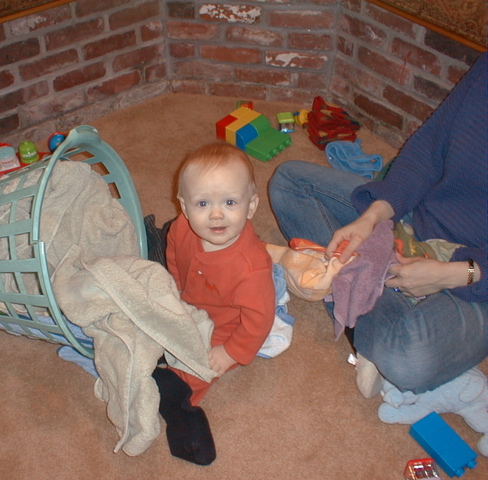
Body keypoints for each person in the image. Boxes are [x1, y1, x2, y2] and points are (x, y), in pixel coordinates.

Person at [267, 51, 487, 399]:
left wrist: (450, 274)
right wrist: (374, 216)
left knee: (409, 359)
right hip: (414, 220)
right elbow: (428, 150)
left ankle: (359, 292)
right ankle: (371, 294)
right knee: (288, 181)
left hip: (475, 276)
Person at [152, 142, 275, 465]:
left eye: (230, 202)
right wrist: (174, 290)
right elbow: (175, 257)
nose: (216, 214)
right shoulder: (180, 227)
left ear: (251, 207)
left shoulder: (252, 268)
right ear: (183, 206)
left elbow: (259, 321)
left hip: (225, 325)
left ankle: (179, 400)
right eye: (203, 203)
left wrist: (231, 351)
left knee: (200, 365)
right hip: (187, 303)